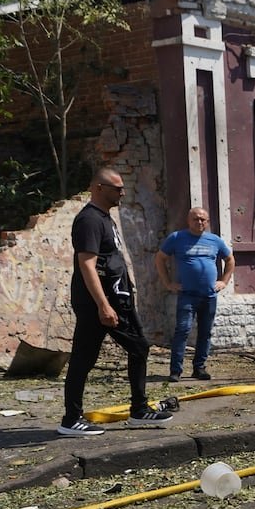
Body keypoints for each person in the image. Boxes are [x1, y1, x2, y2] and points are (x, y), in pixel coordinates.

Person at [58, 167, 173, 436]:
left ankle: (139, 410)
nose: (122, 192)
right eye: (117, 188)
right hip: (99, 304)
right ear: (99, 188)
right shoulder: (89, 220)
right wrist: (102, 305)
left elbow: (111, 261)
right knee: (86, 359)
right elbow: (86, 264)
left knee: (136, 348)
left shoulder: (105, 218)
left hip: (116, 300)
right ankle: (72, 419)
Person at [156, 207, 234, 381]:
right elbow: (160, 258)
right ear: (188, 220)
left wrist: (224, 281)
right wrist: (168, 283)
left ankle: (199, 368)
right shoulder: (177, 238)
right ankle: (176, 370)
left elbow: (229, 260)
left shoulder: (215, 240)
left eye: (203, 220)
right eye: (196, 219)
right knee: (182, 330)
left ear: (207, 222)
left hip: (209, 296)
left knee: (205, 333)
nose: (200, 222)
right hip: (187, 295)